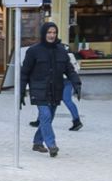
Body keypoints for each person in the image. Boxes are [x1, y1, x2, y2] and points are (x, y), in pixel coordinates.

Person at [20, 21, 77, 157]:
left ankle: (37, 142)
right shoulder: (33, 51)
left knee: (48, 118)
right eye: (49, 32)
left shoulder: (61, 50)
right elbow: (24, 72)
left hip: (55, 89)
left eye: (54, 32)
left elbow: (69, 69)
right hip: (39, 90)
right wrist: (21, 91)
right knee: (45, 115)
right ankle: (52, 145)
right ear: (44, 33)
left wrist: (76, 83)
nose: (52, 35)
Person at [62, 51, 84, 131]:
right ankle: (76, 120)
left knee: (47, 99)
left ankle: (40, 120)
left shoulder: (55, 53)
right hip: (69, 80)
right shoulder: (70, 55)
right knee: (67, 100)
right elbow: (77, 68)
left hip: (61, 80)